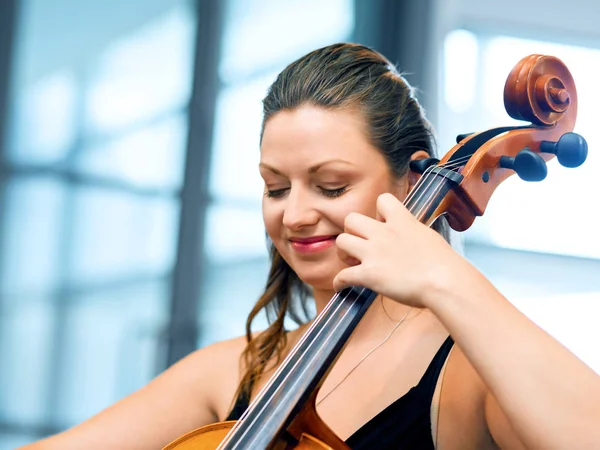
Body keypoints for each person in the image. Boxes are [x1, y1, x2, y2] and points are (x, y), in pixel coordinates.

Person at [20, 43, 600, 449]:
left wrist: (447, 279)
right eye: (275, 187)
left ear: (409, 182)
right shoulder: (237, 371)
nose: (294, 214)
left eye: (331, 186)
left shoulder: (465, 374)